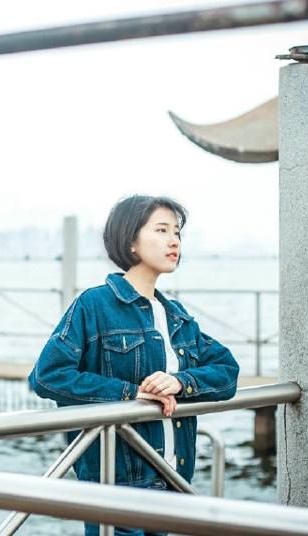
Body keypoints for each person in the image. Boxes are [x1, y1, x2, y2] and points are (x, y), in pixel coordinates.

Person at [28, 194, 240, 536]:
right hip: (118, 485)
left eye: (177, 232)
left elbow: (227, 373)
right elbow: (48, 376)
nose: (174, 240)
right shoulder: (95, 304)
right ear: (132, 242)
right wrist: (132, 394)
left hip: (172, 481)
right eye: (161, 230)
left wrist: (180, 382)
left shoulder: (176, 316)